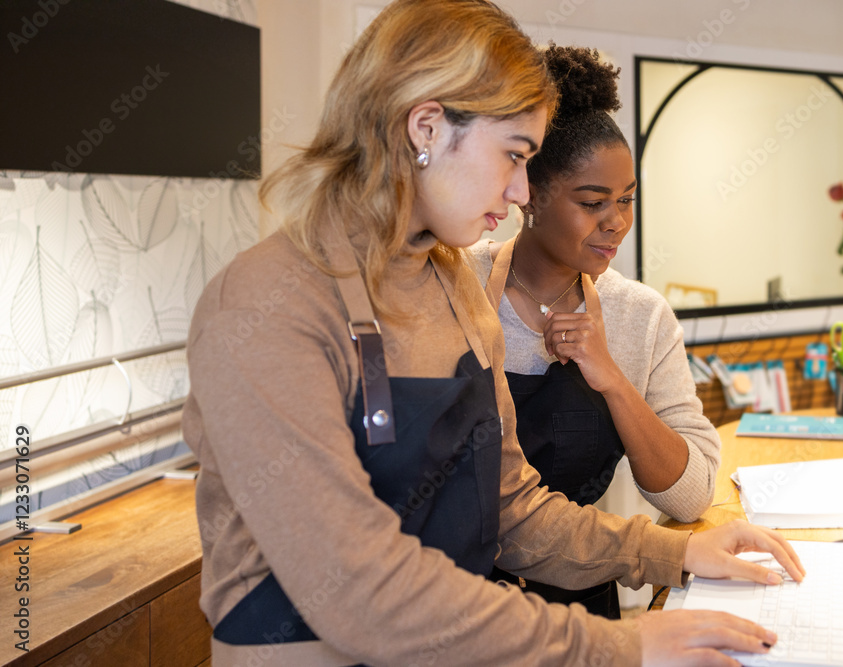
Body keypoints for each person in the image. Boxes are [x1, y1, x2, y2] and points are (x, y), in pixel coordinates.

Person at [183, 1, 803, 665]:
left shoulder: (450, 283)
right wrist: (616, 644)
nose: (520, 193)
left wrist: (672, 551)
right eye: (513, 155)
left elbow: (513, 510)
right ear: (426, 127)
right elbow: (358, 586)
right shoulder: (264, 305)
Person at [468, 45, 721, 619]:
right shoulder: (456, 282)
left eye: (627, 200)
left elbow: (690, 495)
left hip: (582, 604)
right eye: (592, 203)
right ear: (529, 194)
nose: (617, 222)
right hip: (463, 609)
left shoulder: (641, 316)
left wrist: (610, 378)